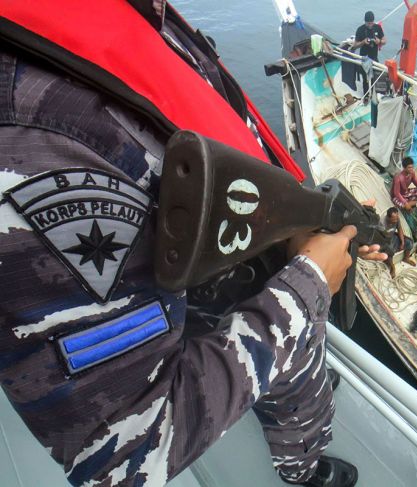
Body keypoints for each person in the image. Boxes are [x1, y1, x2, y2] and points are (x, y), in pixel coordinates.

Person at [0, 3, 388, 486]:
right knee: (294, 409)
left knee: (298, 374)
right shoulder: (30, 135)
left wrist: (296, 230)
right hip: (240, 333)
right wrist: (307, 286)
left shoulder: (128, 16)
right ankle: (301, 471)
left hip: (258, 296)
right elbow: (127, 453)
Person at [353, 11, 386, 98]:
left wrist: (379, 42)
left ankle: (377, 95)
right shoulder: (360, 30)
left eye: (371, 23)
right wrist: (363, 42)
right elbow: (355, 46)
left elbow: (384, 41)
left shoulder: (377, 28)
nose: (370, 25)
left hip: (374, 57)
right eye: (368, 23)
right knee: (366, 79)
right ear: (365, 21)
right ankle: (366, 96)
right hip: (365, 58)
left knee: (377, 76)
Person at [383, 207, 416, 278]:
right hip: (384, 241)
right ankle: (392, 267)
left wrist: (402, 242)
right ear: (388, 218)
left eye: (397, 218)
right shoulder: (382, 224)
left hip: (393, 237)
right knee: (389, 252)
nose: (396, 220)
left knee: (409, 242)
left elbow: (400, 229)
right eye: (394, 219)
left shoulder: (397, 219)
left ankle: (406, 258)